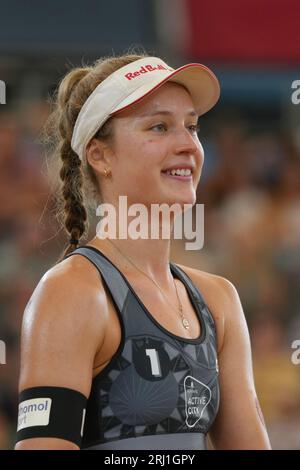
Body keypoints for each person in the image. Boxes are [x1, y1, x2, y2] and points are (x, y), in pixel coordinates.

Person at [15, 53, 271, 450]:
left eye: (192, 126)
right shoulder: (72, 294)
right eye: (159, 126)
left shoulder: (219, 300)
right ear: (100, 156)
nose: (188, 144)